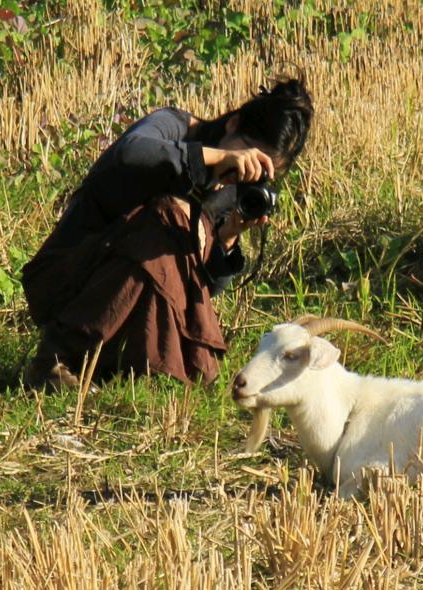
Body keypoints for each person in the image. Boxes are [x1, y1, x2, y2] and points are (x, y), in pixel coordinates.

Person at [21, 77, 313, 387]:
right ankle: (54, 357)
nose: (244, 170)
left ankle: (120, 367)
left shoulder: (232, 189)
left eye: (260, 170)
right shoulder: (174, 127)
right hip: (67, 278)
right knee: (169, 215)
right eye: (248, 155)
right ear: (233, 124)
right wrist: (213, 157)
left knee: (179, 234)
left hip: (133, 307)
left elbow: (199, 286)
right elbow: (129, 152)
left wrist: (227, 237)